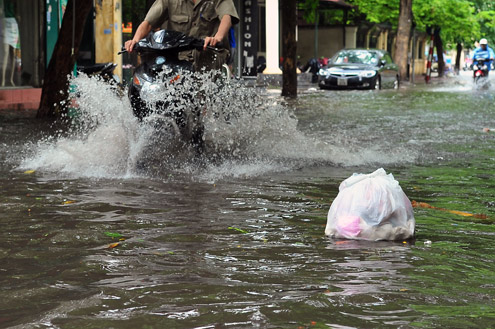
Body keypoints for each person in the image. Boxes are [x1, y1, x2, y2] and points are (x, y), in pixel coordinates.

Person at [124, 0, 239, 71]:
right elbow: (148, 23)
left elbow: (226, 16)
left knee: (203, 90)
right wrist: (135, 40)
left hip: (207, 53)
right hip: (175, 55)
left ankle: (205, 108)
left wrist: (217, 37)